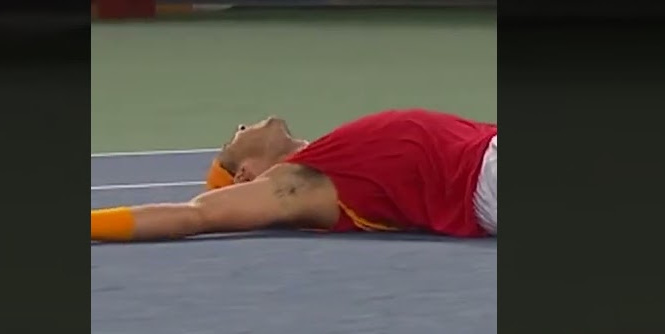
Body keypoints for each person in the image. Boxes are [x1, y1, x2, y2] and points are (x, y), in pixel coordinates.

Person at [90, 109, 497, 242]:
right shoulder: (298, 183)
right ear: (246, 175)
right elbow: (196, 215)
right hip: (485, 174)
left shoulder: (328, 156)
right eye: (233, 141)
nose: (241, 127)